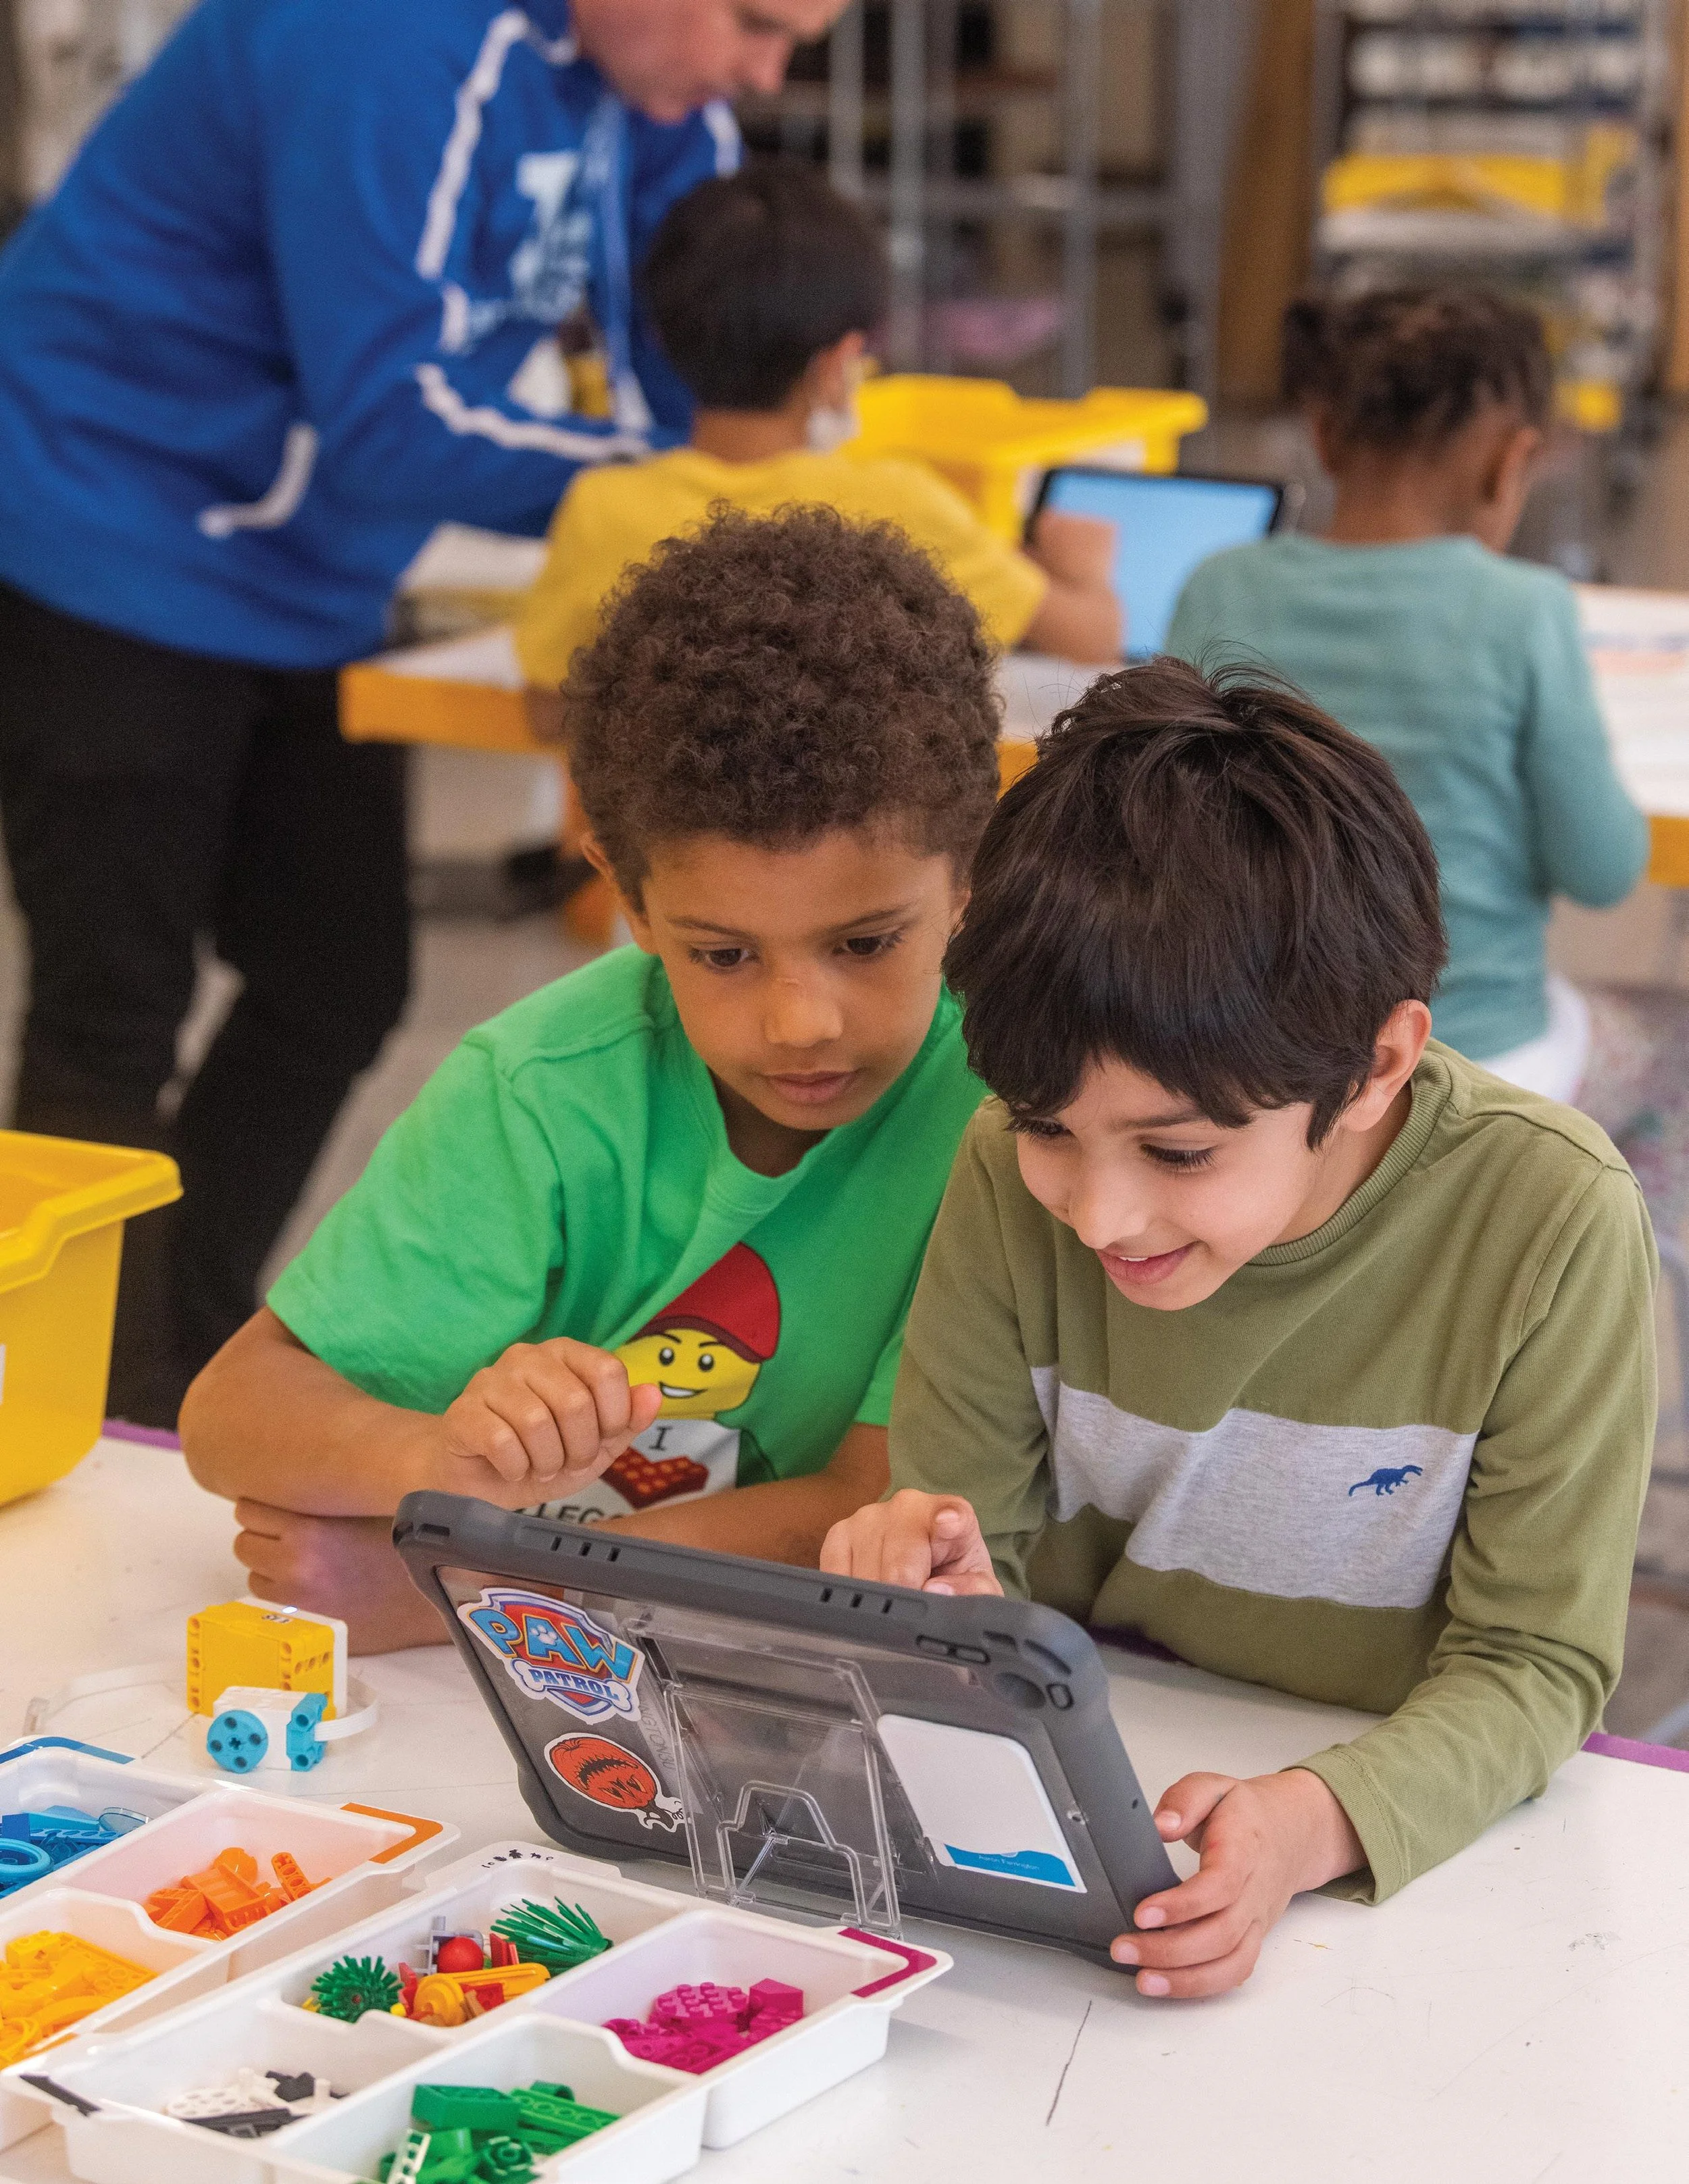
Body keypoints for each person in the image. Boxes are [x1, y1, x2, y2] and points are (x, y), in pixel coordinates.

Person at [0, 0, 843, 1429]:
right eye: (756, 24)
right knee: (112, 1012)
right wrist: (690, 483)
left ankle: (169, 1358)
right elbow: (398, 421)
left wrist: (733, 476)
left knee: (335, 978)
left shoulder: (653, 85)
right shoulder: (376, 44)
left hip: (307, 567)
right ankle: (68, 1398)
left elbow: (698, 362)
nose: (762, 75)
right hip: (106, 526)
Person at [821, 659, 1655, 1998]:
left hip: (1383, 1835)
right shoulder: (999, 1165)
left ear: (1376, 1065)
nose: (1097, 1210)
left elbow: (1533, 1662)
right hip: (1106, 1782)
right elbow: (981, 1546)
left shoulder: (1545, 1216)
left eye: (1179, 1149)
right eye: (1047, 1127)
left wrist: (1307, 1821)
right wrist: (942, 1592)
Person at [179, 507, 996, 1651]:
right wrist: (435, 1459)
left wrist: (473, 1587)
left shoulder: (1010, 1112)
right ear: (629, 899)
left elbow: (879, 1507)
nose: (801, 1021)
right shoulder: (540, 1087)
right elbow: (231, 1413)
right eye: (723, 952)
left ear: (970, 873)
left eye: (866, 942)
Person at [1166, 286, 1689, 1240]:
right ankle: (1611, 1297)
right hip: (1483, 1056)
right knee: (1676, 1047)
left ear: (1322, 437)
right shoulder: (1524, 611)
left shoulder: (1220, 588)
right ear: (1512, 460)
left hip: (1260, 1054)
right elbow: (1605, 867)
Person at [515, 156, 1121, 725]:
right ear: (839, 363)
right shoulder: (899, 505)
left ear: (664, 337)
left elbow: (546, 708)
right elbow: (1089, 641)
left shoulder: (604, 506)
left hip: (652, 839)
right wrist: (1085, 575)